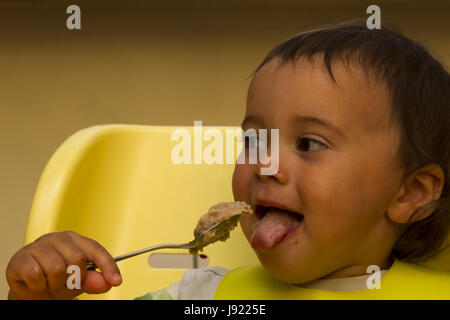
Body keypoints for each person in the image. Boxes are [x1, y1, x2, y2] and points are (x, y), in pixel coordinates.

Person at [6, 19, 450, 300]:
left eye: (309, 144)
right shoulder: (205, 295)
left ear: (409, 192)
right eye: (255, 140)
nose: (264, 164)